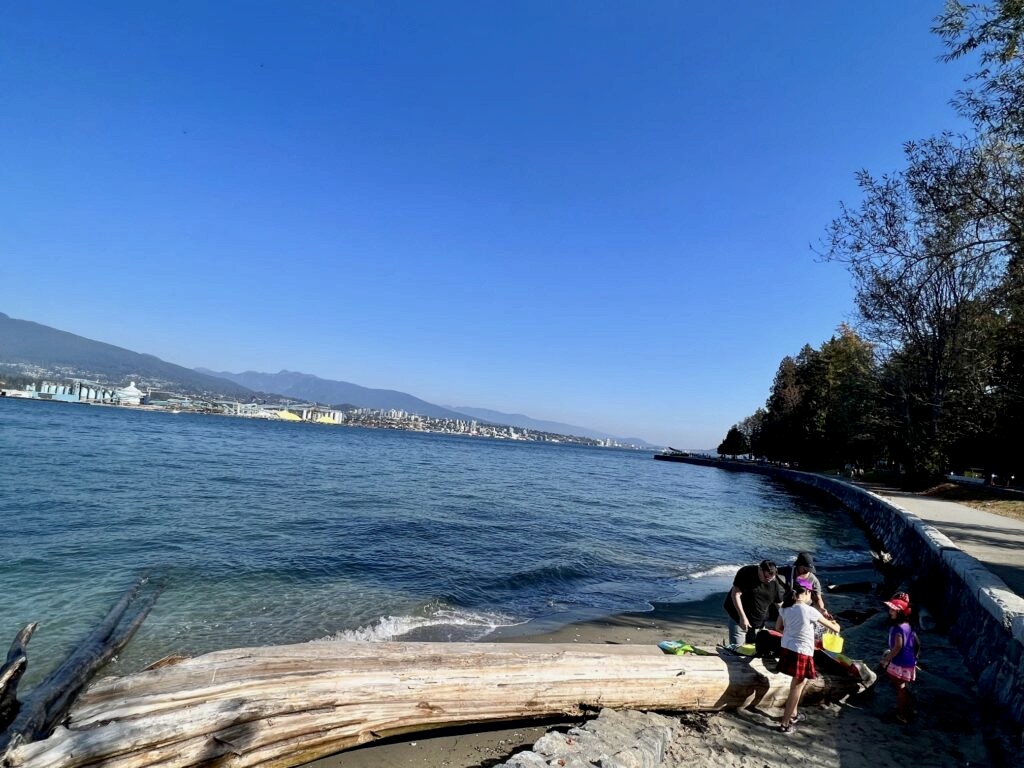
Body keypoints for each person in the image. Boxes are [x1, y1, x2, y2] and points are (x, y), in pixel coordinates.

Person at [775, 579, 841, 733]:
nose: (811, 596)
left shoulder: (785, 607)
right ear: (806, 592)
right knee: (796, 688)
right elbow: (833, 628)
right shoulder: (809, 610)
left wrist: (792, 634)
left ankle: (794, 714)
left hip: (787, 649)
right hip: (802, 652)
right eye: (810, 593)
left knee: (796, 685)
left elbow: (778, 627)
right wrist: (836, 624)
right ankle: (785, 724)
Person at [723, 559, 785, 645]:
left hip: (758, 622)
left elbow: (779, 604)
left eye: (771, 578)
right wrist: (742, 617)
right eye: (766, 577)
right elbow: (735, 594)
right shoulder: (746, 573)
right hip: (738, 618)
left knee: (754, 650)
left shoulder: (774, 583)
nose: (768, 580)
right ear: (760, 569)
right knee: (737, 649)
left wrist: (787, 620)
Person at [880, 593, 920, 724]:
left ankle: (902, 714)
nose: (890, 611)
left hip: (900, 662)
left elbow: (898, 647)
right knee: (902, 687)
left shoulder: (897, 628)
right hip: (909, 661)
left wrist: (886, 659)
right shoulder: (907, 625)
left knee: (900, 687)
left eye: (893, 610)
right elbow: (917, 643)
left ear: (900, 612)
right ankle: (909, 709)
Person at [780, 552, 830, 618]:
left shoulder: (813, 580)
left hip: (804, 607)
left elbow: (818, 598)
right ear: (799, 565)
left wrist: (821, 609)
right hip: (788, 604)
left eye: (809, 569)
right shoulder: (788, 571)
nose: (807, 571)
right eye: (805, 569)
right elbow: (773, 573)